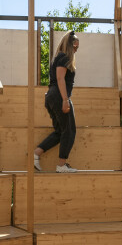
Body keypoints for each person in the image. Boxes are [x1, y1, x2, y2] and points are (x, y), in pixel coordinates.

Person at [34, 30, 80, 173]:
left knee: (61, 131)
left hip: (53, 96)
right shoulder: (64, 57)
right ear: (70, 45)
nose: (76, 50)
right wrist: (65, 100)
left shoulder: (59, 57)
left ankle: (36, 153)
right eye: (75, 47)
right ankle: (61, 165)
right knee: (69, 130)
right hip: (59, 96)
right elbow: (60, 79)